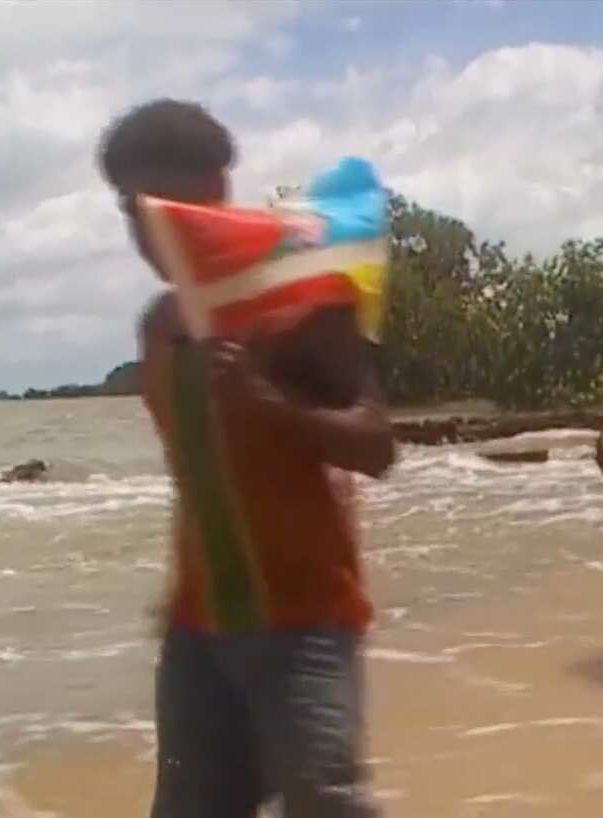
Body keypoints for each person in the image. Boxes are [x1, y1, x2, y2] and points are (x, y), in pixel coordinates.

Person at [99, 99, 394, 818]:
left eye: (162, 201)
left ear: (217, 193)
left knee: (325, 804)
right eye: (130, 206)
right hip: (198, 626)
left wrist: (269, 401)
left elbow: (376, 445)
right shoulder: (159, 327)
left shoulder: (300, 304)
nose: (145, 223)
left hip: (306, 619)